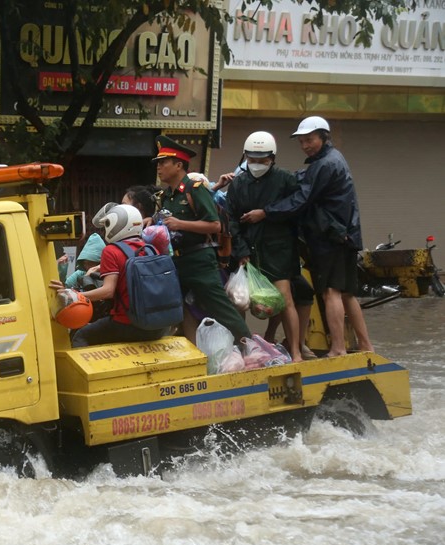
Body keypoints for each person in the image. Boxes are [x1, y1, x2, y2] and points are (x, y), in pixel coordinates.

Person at [242, 116, 373, 356]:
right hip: (344, 235)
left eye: (309, 140)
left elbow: (300, 199)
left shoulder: (325, 165)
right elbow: (305, 181)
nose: (305, 145)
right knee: (347, 293)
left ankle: (338, 348)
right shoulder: (331, 160)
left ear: (324, 137)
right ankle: (365, 345)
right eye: (301, 141)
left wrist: (265, 212)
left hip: (331, 236)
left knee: (330, 292)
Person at [155, 135, 252, 344]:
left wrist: (180, 224)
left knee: (220, 307)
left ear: (179, 164)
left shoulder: (195, 188)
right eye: (158, 163)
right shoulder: (166, 196)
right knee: (175, 308)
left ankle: (251, 346)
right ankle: (193, 353)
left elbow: (214, 225)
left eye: (163, 162)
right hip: (175, 261)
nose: (159, 167)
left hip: (199, 260)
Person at [225, 131, 305, 362]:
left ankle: (297, 352)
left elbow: (296, 207)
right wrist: (241, 253)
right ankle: (243, 350)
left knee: (285, 299)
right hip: (248, 252)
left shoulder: (286, 180)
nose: (257, 164)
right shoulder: (239, 184)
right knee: (240, 301)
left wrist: (266, 214)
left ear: (272, 158)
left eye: (262, 160)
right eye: (252, 159)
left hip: (279, 250)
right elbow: (231, 220)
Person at [49, 204, 169, 347]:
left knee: (81, 335)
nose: (105, 230)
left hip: (130, 324)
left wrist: (74, 294)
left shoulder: (111, 251)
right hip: (160, 325)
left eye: (107, 225)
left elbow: (108, 291)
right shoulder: (150, 248)